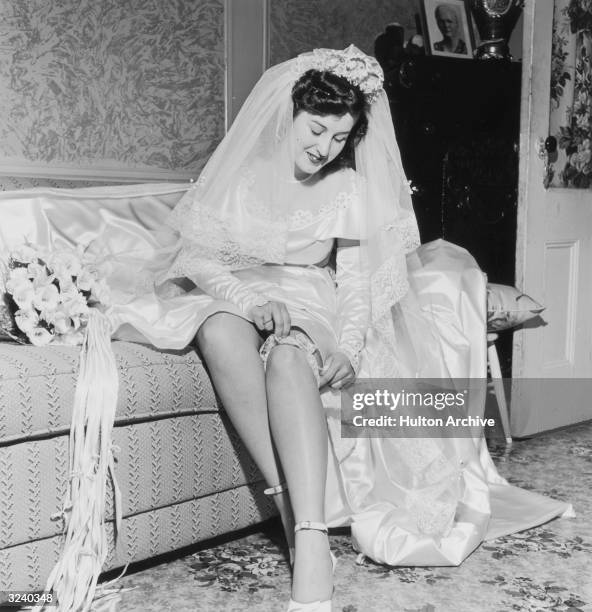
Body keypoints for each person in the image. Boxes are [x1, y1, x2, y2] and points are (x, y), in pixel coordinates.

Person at [101, 46, 572, 611]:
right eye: (316, 128)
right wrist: (248, 300)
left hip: (312, 298)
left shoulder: (347, 188)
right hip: (239, 292)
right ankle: (293, 508)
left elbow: (353, 282)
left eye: (339, 137)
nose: (323, 148)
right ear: (289, 114)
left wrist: (348, 343)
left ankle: (311, 537)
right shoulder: (241, 174)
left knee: (291, 356)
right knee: (219, 330)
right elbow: (200, 260)